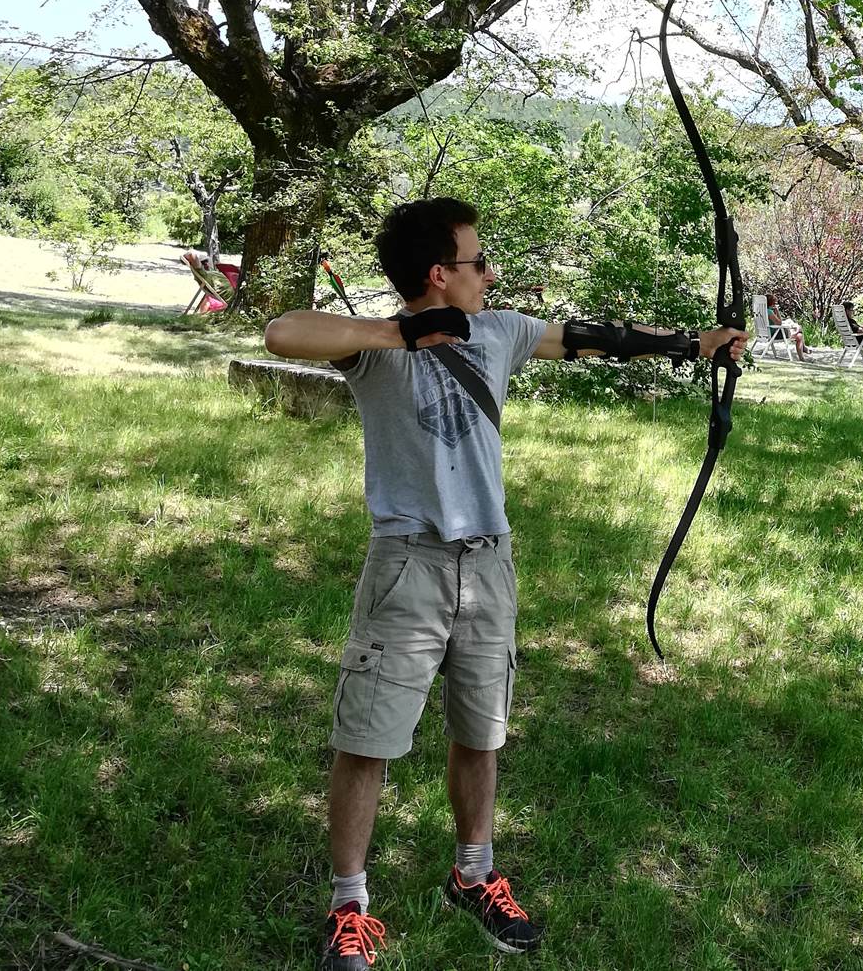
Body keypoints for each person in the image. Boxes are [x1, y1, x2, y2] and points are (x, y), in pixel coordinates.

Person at [264, 198, 747, 970]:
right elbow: (282, 331)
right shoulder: (375, 349)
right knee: (368, 739)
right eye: (477, 262)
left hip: (489, 564)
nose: (490, 273)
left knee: (480, 729)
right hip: (408, 565)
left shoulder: (500, 331)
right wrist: (400, 332)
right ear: (438, 274)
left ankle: (475, 874)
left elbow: (591, 339)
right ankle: (348, 902)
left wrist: (697, 343)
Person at [764, 293, 812, 361]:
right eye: (774, 303)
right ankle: (802, 355)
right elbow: (779, 323)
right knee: (799, 331)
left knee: (799, 335)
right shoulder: (769, 312)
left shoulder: (762, 311)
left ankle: (803, 351)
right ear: (771, 303)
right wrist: (777, 311)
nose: (775, 305)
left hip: (767, 332)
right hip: (774, 334)